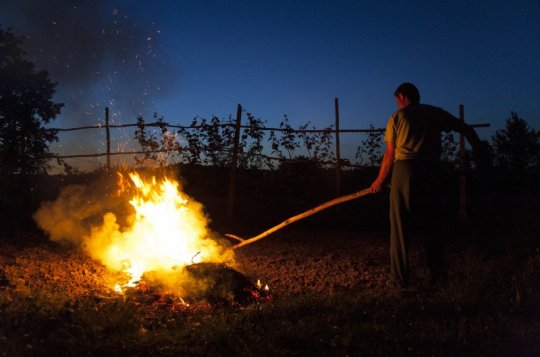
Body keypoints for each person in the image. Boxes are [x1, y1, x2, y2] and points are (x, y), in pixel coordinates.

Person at [371, 82, 481, 289]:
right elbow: (465, 129)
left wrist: (379, 181)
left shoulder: (397, 117)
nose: (396, 104)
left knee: (399, 227)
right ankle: (438, 275)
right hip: (432, 171)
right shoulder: (434, 113)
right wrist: (479, 150)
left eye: (396, 100)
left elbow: (389, 154)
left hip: (405, 170)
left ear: (402, 97)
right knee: (432, 224)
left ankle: (400, 279)